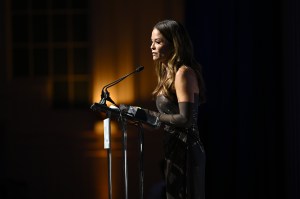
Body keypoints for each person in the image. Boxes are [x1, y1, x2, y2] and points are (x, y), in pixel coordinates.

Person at [121, 19, 206, 199]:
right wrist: (138, 117)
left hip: (187, 152)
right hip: (172, 150)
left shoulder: (184, 73)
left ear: (174, 44)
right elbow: (162, 121)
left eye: (158, 42)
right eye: (151, 41)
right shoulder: (167, 74)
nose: (151, 46)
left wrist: (152, 115)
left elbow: (185, 119)